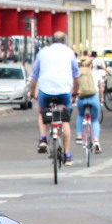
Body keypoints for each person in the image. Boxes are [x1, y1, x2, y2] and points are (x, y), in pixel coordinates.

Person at [28, 31, 79, 163]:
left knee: (41, 111)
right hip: (64, 92)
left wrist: (32, 92)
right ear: (65, 41)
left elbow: (34, 77)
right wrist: (75, 92)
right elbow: (76, 76)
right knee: (65, 121)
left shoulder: (43, 52)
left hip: (46, 91)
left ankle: (43, 138)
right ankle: (67, 155)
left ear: (51, 41)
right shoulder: (69, 52)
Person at [75, 54, 102, 154]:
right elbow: (100, 87)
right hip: (93, 98)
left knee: (81, 115)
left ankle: (79, 135)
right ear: (91, 65)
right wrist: (101, 98)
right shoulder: (95, 73)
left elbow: (75, 86)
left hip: (81, 98)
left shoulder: (77, 73)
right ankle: (96, 140)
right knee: (94, 120)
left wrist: (74, 96)